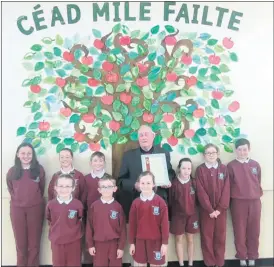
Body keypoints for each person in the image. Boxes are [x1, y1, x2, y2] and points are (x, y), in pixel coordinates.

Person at [118, 125, 175, 220]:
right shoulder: (128, 156)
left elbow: (171, 172)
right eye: (141, 135)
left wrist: (167, 180)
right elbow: (121, 181)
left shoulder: (164, 153)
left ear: (153, 136)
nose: (144, 137)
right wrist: (134, 185)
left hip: (159, 200)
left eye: (146, 134)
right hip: (136, 202)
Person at [6, 142, 45, 267]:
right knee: (20, 243)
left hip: (35, 208)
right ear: (18, 154)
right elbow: (10, 188)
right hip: (17, 209)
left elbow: (41, 188)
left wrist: (34, 200)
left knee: (34, 243)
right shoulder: (12, 172)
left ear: (33, 155)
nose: (26, 156)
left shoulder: (39, 170)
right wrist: (19, 200)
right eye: (23, 153)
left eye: (29, 153)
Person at [227, 138, 263, 267]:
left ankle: (252, 257)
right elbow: (229, 185)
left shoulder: (255, 165)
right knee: (240, 231)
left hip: (255, 202)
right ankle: (242, 257)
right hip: (238, 203)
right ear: (235, 150)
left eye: (245, 149)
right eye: (240, 150)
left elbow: (258, 182)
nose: (242, 152)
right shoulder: (231, 166)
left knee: (254, 230)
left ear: (249, 150)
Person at [195, 144, 230, 267]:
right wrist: (210, 209)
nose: (211, 155)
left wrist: (220, 209)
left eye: (213, 152)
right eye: (208, 153)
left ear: (218, 154)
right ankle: (210, 263)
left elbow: (227, 190)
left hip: (221, 211)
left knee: (220, 237)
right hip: (206, 211)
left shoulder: (223, 169)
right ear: (204, 155)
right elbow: (200, 191)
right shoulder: (200, 170)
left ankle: (219, 263)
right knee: (207, 237)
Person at [129, 171, 169, 266]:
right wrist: (131, 243)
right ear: (138, 184)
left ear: (153, 184)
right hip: (139, 242)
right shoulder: (135, 203)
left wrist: (165, 243)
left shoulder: (160, 202)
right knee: (140, 264)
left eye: (148, 183)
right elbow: (132, 225)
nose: (145, 186)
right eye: (142, 183)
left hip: (156, 242)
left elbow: (165, 225)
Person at [86, 174, 126, 267]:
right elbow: (89, 227)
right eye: (103, 187)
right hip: (98, 244)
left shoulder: (118, 207)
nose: (106, 189)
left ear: (115, 189)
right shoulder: (94, 206)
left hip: (114, 244)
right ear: (99, 190)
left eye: (109, 187)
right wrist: (90, 245)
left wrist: (121, 247)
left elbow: (123, 229)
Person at [46, 174, 83, 267]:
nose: (64, 189)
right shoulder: (51, 205)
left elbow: (80, 219)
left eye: (68, 186)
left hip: (74, 241)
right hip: (57, 241)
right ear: (55, 188)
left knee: (74, 264)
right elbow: (49, 219)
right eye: (61, 186)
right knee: (58, 264)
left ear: (73, 188)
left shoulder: (78, 204)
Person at [169, 158, 199, 267]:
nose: (186, 171)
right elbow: (170, 202)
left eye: (189, 168)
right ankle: (181, 263)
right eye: (184, 168)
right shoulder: (173, 184)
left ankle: (190, 263)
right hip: (178, 216)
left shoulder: (194, 182)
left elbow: (198, 200)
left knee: (190, 239)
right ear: (179, 169)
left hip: (192, 215)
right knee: (178, 239)